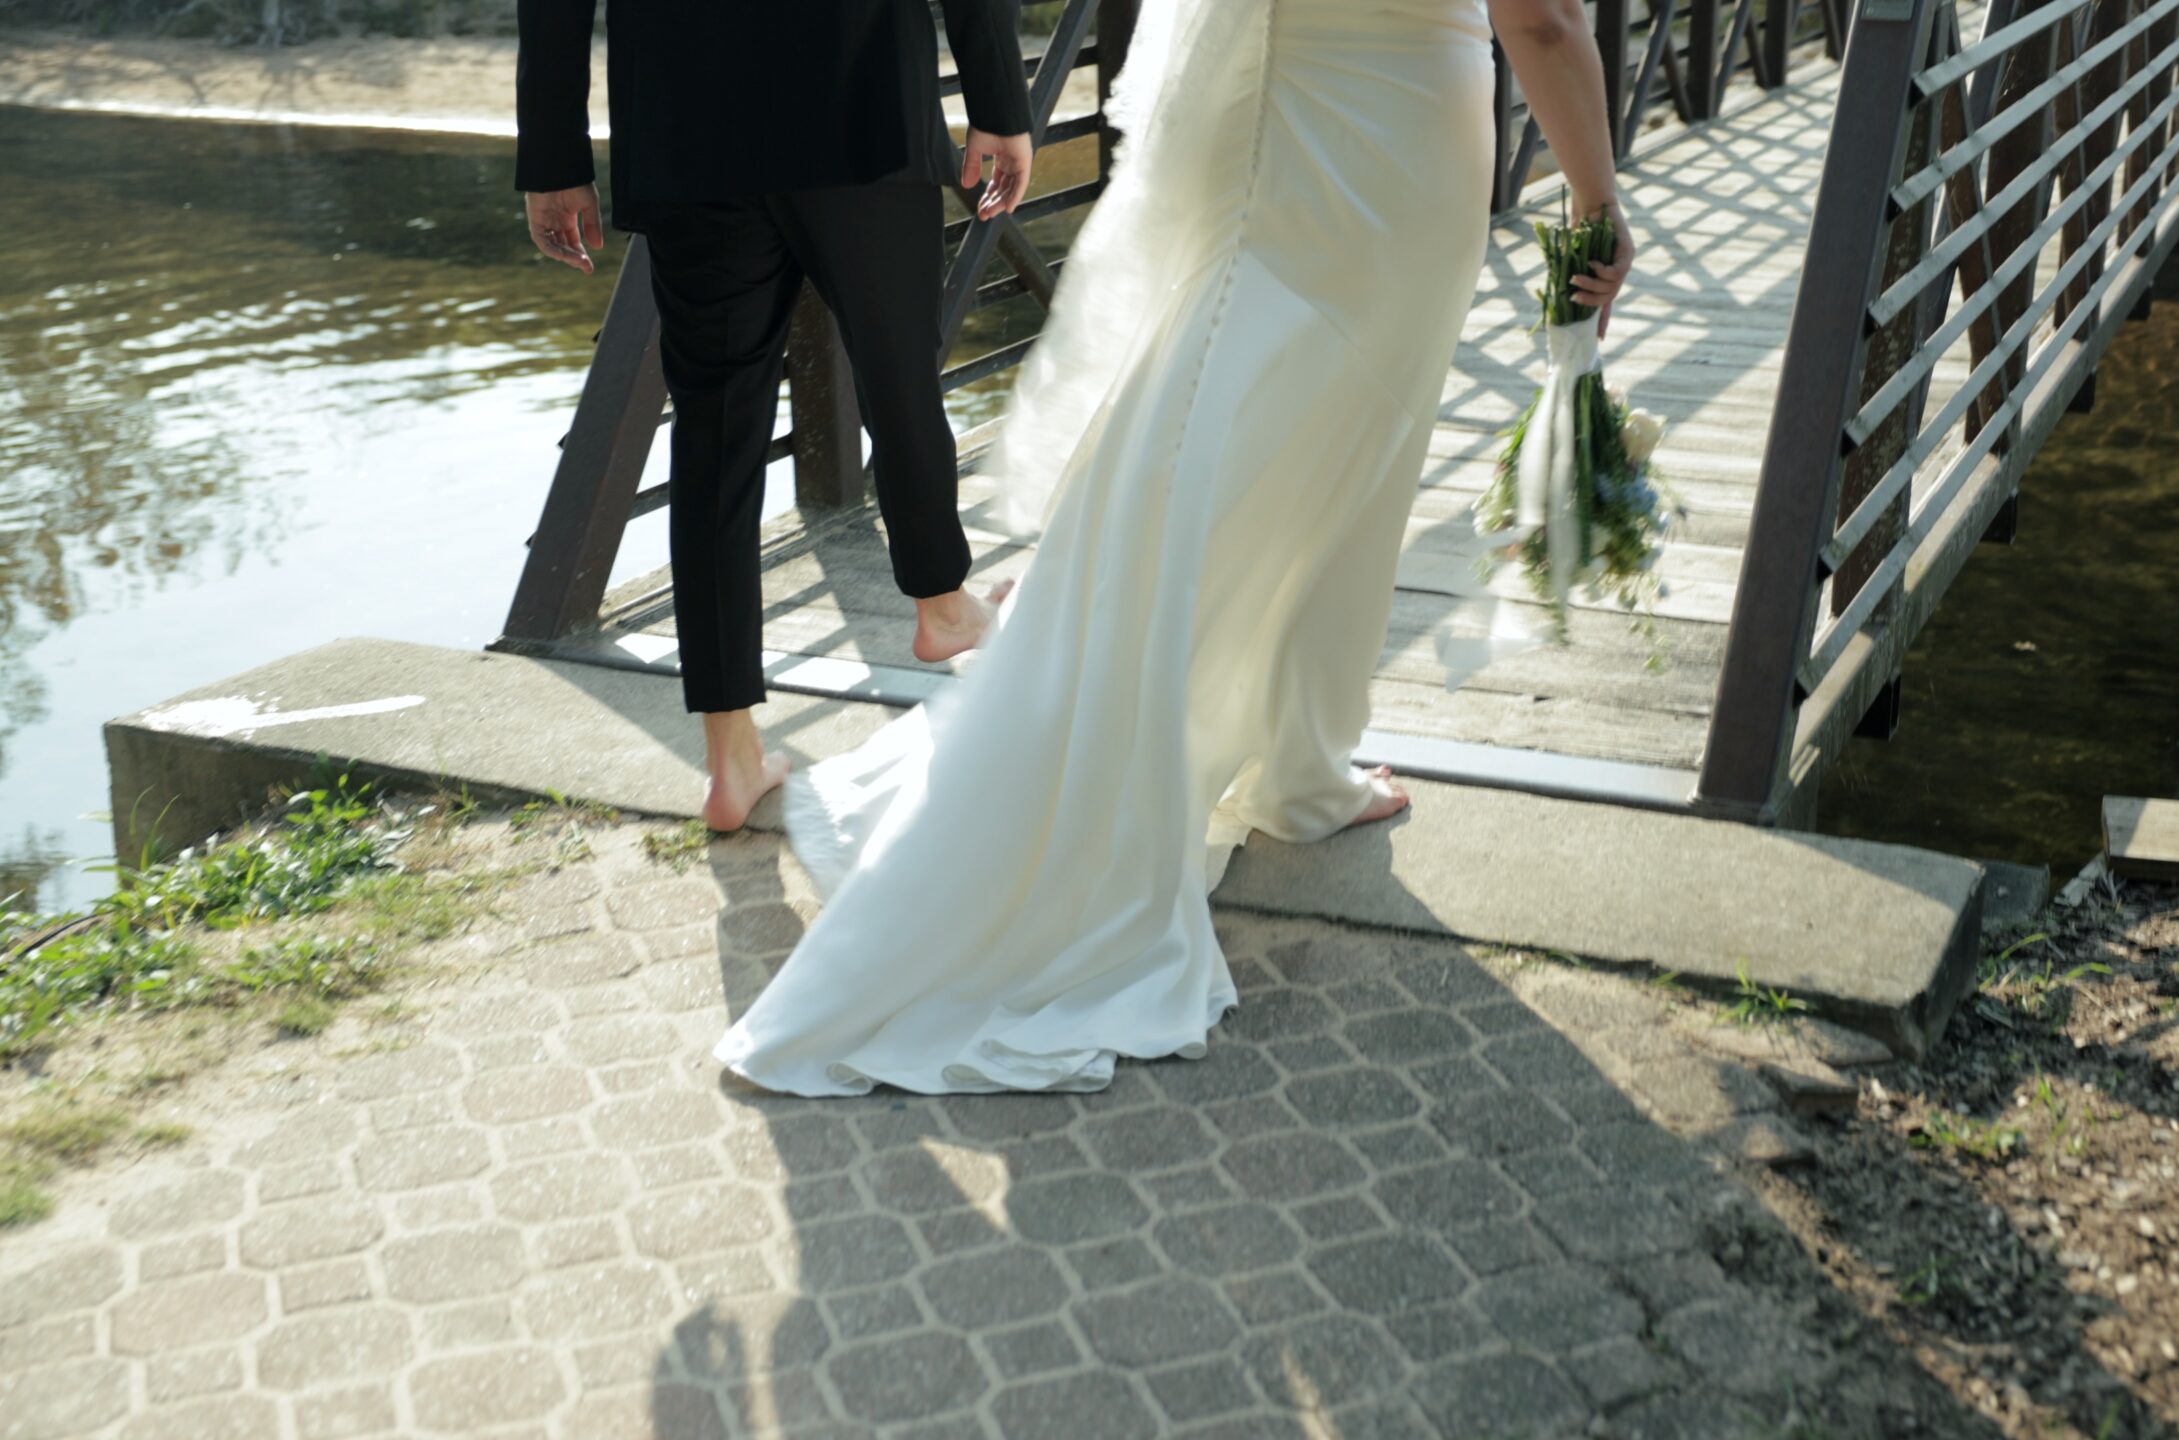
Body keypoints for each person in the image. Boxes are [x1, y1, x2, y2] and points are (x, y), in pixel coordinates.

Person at [715, 0, 1635, 1097]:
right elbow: (1541, 18)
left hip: (1290, 126)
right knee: (1346, 464)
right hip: (1400, 143)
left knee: (1237, 438)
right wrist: (1597, 199)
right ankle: (1282, 765)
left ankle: (1291, 758)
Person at [513, 0, 1035, 831]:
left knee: (715, 438)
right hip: (860, 97)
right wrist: (1000, 104)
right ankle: (940, 606)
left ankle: (729, 755)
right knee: (900, 379)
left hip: (689, 129)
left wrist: (553, 158)